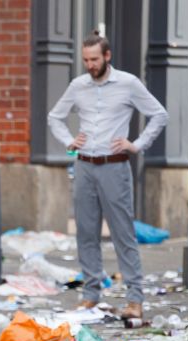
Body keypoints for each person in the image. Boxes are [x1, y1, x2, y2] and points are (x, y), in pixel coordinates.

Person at [48, 32, 168, 320]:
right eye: (86, 60)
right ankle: (91, 295)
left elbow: (159, 114)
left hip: (115, 166)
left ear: (107, 56)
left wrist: (136, 145)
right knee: (86, 232)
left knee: (122, 233)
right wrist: (68, 142)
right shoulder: (78, 86)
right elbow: (55, 116)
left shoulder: (128, 84)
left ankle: (135, 299)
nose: (90, 65)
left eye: (94, 59)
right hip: (84, 165)